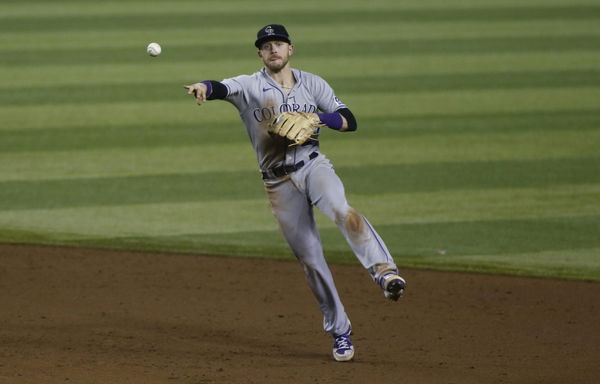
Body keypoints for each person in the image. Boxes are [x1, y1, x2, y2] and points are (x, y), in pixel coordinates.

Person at [184, 24, 406, 362]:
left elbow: (349, 120)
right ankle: (340, 332)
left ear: (290, 50)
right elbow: (219, 87)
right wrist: (203, 86)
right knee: (311, 259)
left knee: (341, 209)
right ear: (259, 53)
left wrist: (316, 118)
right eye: (266, 45)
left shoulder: (314, 83)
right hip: (277, 183)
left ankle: (385, 273)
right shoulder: (249, 86)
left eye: (279, 43)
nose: (273, 49)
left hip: (313, 166)